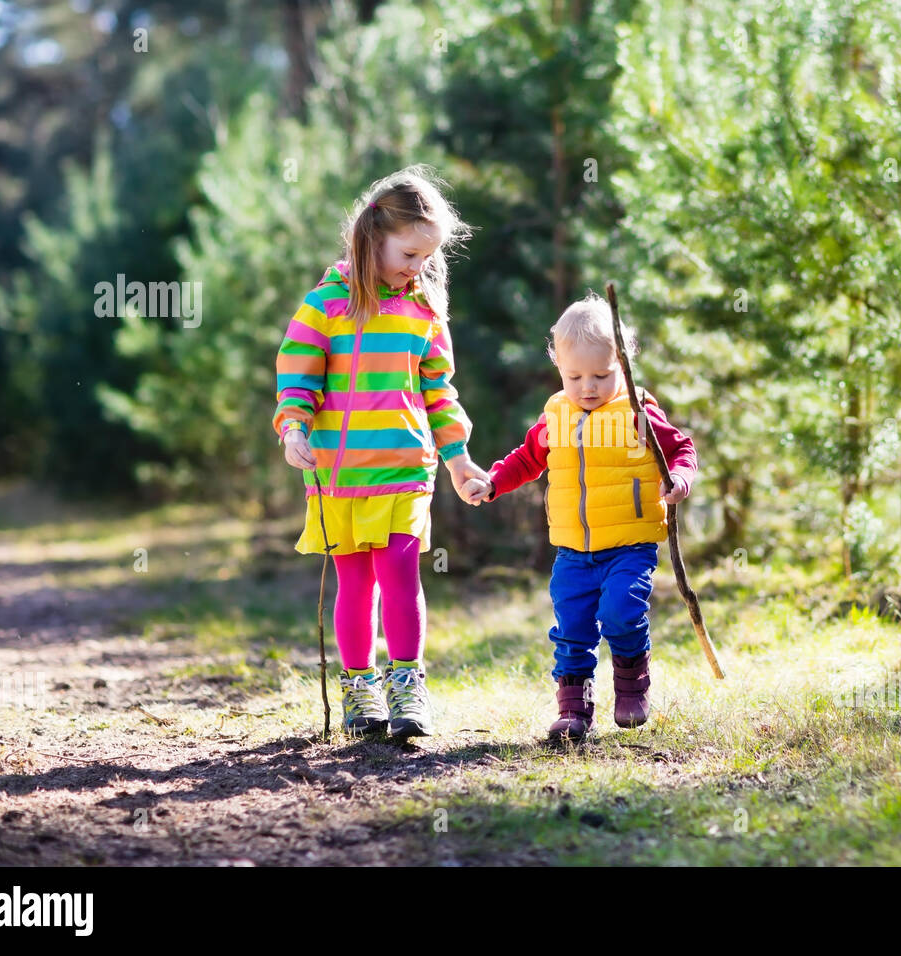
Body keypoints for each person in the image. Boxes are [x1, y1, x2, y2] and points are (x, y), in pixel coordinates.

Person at [274, 165, 490, 739]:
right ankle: (359, 687)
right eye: (409, 253)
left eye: (426, 258)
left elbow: (439, 392)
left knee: (399, 573)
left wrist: (459, 457)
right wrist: (293, 426)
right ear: (374, 235)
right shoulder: (327, 303)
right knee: (355, 583)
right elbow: (298, 372)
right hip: (339, 475)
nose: (417, 267)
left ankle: (407, 683)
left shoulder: (423, 311)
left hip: (404, 468)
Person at [464, 293, 698, 740]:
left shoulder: (637, 411)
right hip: (572, 550)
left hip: (629, 543)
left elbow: (680, 449)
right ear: (558, 367)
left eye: (601, 375)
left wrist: (680, 480)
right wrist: (493, 481)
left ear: (623, 364)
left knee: (622, 611)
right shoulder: (557, 413)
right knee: (571, 628)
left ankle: (631, 684)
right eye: (574, 376)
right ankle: (574, 708)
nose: (587, 386)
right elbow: (527, 459)